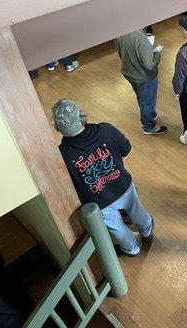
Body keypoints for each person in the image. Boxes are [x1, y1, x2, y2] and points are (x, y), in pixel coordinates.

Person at [52, 99, 154, 256]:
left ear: (58, 126)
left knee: (116, 228)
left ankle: (131, 249)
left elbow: (71, 186)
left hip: (98, 200)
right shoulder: (106, 130)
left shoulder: (62, 154)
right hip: (123, 184)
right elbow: (126, 148)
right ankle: (147, 231)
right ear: (81, 115)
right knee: (136, 209)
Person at [115, 29, 167, 135]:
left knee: (141, 97)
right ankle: (149, 126)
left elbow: (121, 52)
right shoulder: (141, 39)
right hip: (144, 77)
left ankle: (149, 115)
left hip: (129, 73)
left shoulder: (119, 32)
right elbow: (150, 65)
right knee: (148, 102)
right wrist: (156, 53)